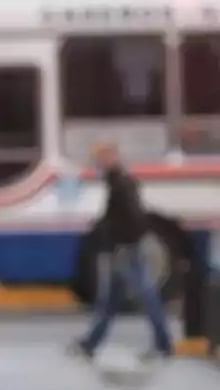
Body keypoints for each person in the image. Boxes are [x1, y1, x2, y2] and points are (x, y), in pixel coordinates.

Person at [69, 142, 173, 362]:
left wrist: (121, 243)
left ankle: (163, 344)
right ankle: (91, 344)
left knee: (145, 296)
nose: (97, 164)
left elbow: (133, 219)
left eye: (100, 158)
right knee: (110, 301)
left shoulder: (120, 184)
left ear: (110, 158)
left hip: (123, 250)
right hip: (120, 248)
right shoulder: (120, 181)